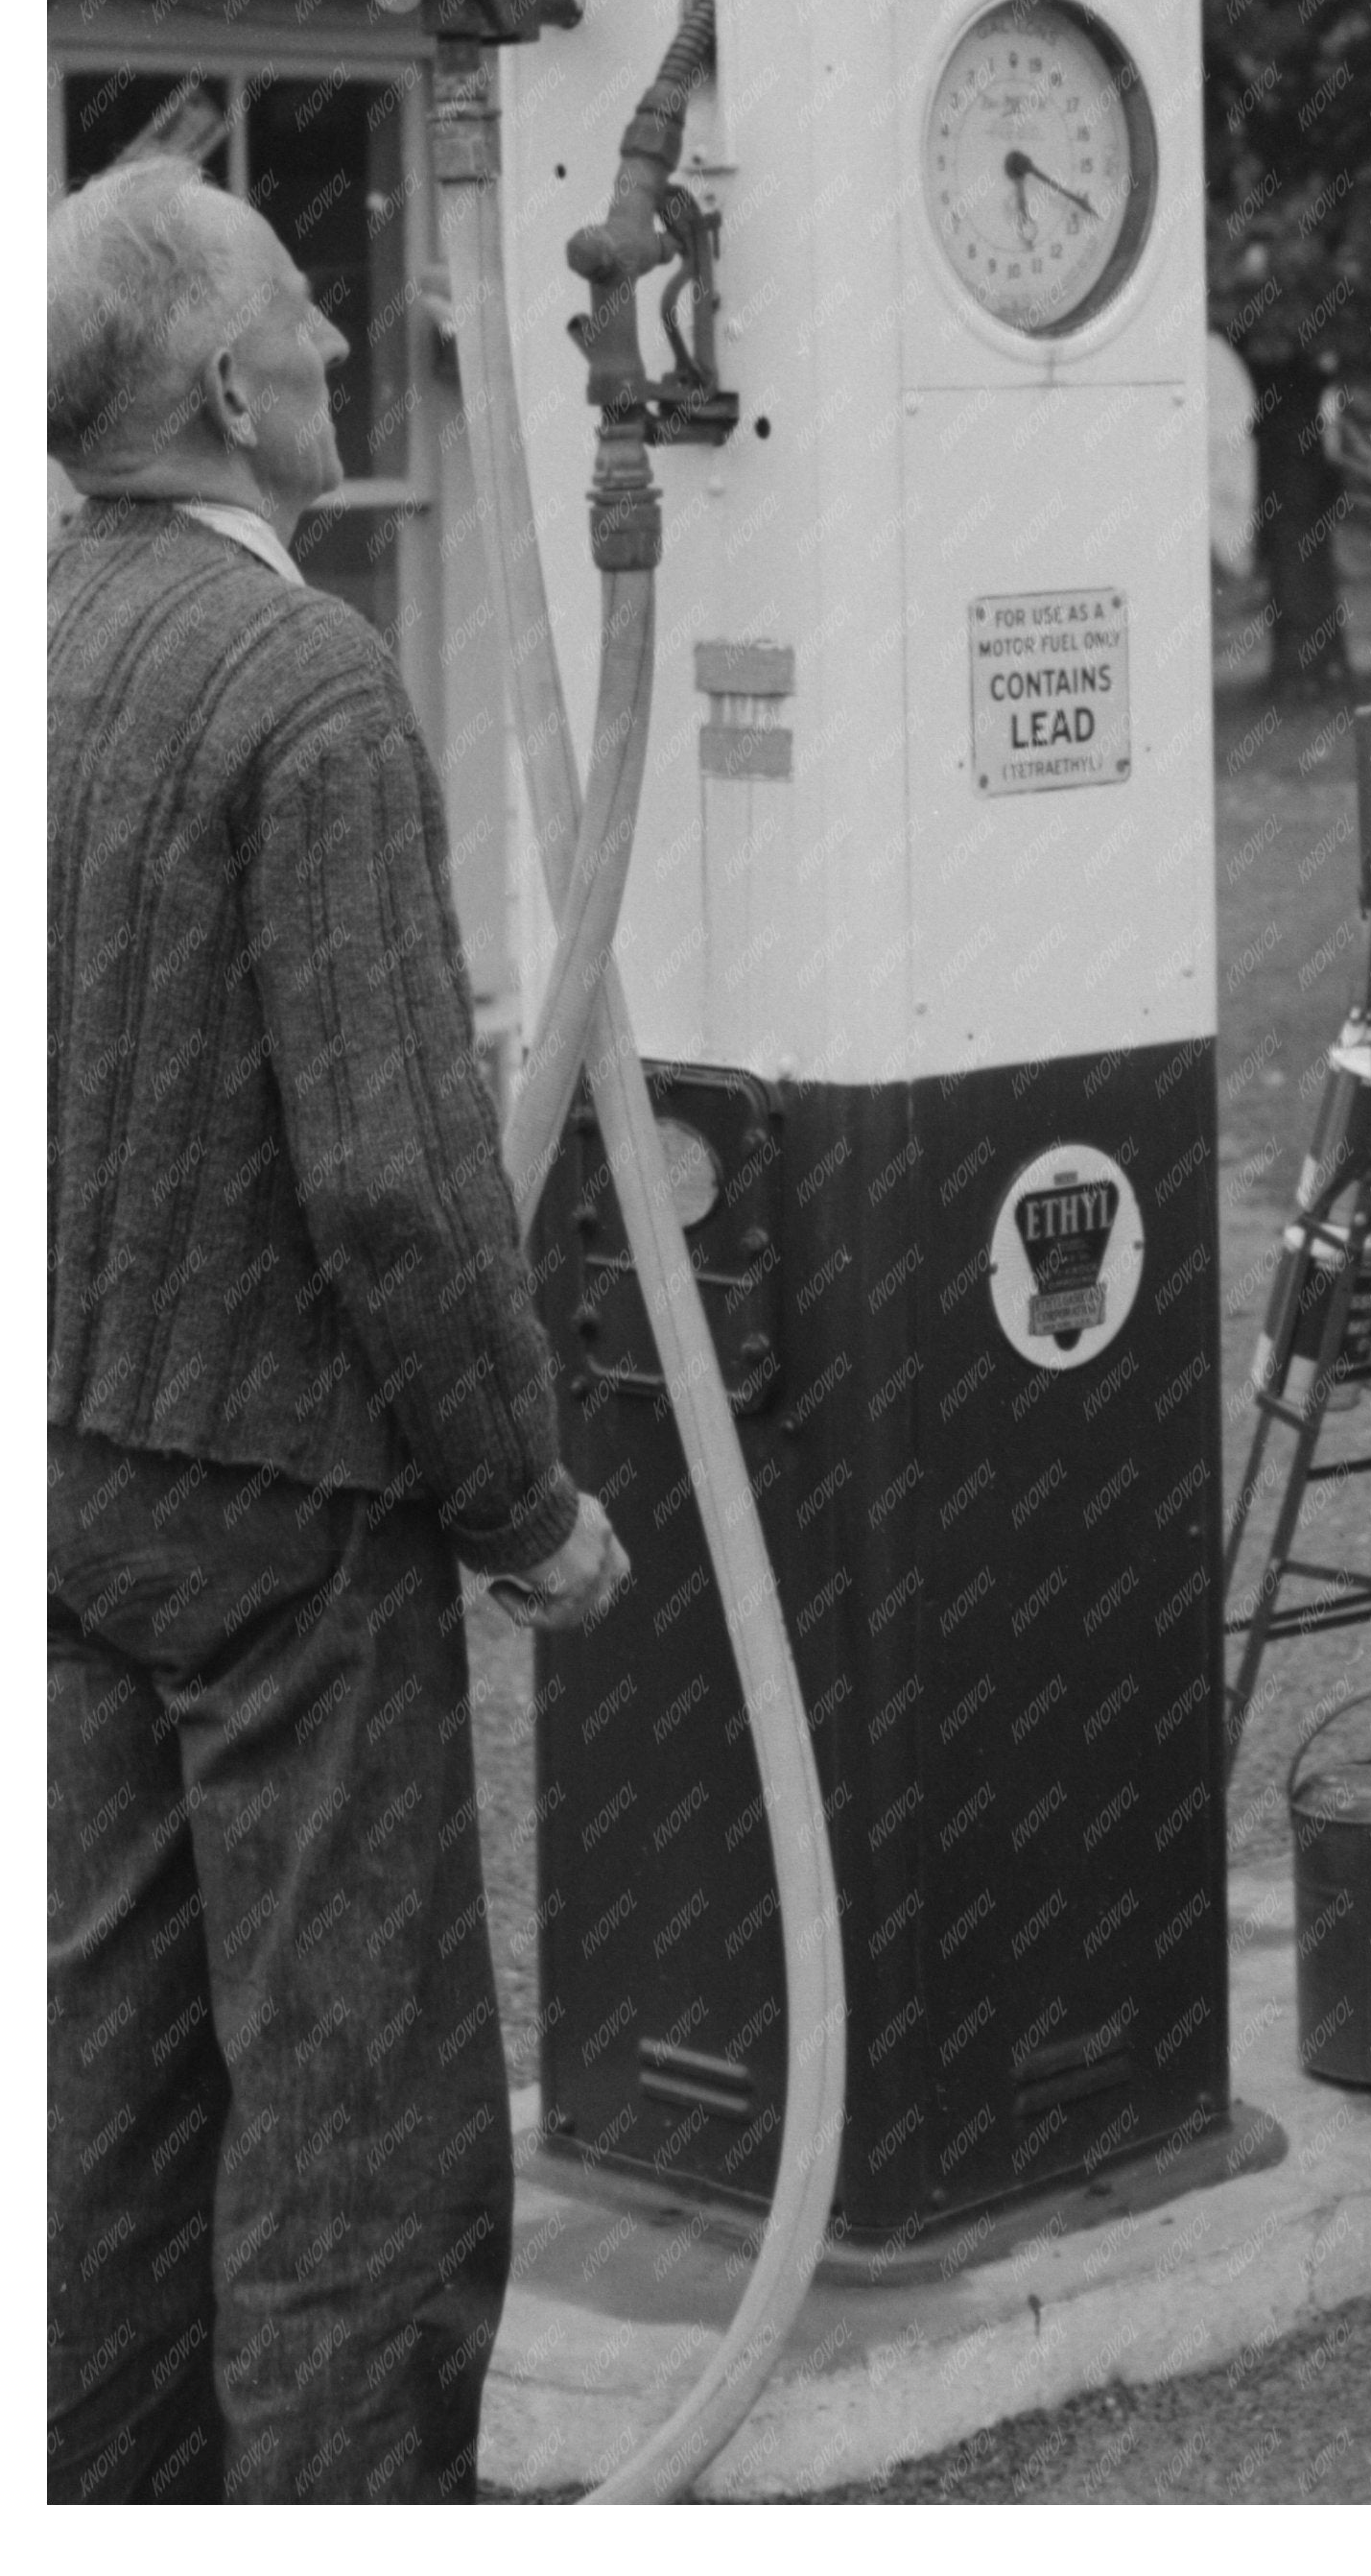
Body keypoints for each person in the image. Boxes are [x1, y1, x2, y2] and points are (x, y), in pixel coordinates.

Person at [48, 160, 630, 2502]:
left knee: (119, 2056)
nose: (335, 338)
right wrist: (528, 1505)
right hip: (284, 1504)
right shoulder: (305, 678)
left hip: (74, 1468)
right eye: (303, 311)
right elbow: (396, 1172)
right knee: (362, 2112)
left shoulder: (54, 636)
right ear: (220, 384)